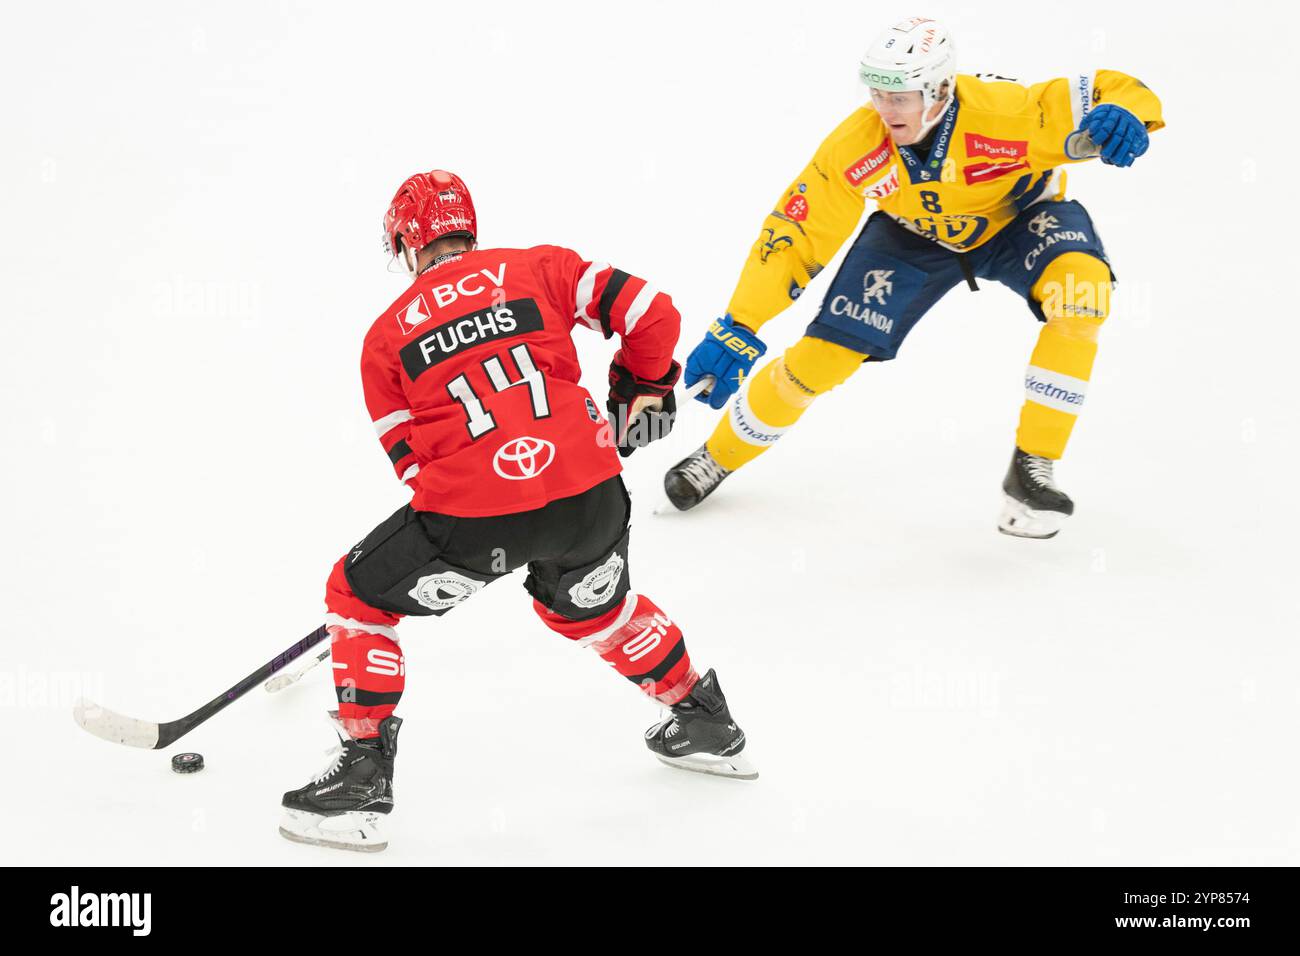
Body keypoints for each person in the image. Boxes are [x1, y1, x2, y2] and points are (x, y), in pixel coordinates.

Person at [280, 170, 755, 853]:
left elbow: (413, 465)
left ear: (408, 242)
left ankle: (359, 783)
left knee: (355, 599)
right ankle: (703, 722)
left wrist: (471, 531)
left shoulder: (385, 338)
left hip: (474, 518)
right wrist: (643, 384)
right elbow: (652, 312)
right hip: (592, 496)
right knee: (593, 609)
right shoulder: (540, 268)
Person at [665, 16, 1164, 539]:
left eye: (899, 96)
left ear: (941, 87)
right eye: (878, 93)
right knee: (819, 361)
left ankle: (1033, 466)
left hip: (1019, 218)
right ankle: (716, 456)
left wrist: (1126, 113)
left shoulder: (1006, 112)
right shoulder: (856, 144)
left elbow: (1115, 88)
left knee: (1081, 296)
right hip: (913, 237)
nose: (885, 109)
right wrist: (740, 323)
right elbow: (797, 233)